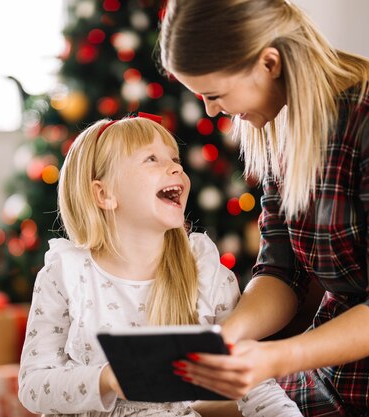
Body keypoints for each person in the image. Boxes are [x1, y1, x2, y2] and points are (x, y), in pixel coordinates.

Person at [158, 0, 369, 415]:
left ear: (269, 63)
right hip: (335, 372)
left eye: (214, 94)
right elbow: (281, 272)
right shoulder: (288, 125)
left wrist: (274, 358)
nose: (211, 110)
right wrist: (224, 338)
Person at [17, 114, 302, 416]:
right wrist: (108, 379)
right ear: (104, 194)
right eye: (151, 159)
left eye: (175, 159)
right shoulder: (66, 275)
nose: (176, 167)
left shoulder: (204, 271)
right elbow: (33, 385)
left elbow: (250, 379)